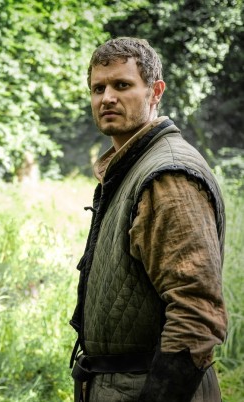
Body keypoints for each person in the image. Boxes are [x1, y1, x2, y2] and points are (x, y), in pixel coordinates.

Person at [69, 37, 227, 401]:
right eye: (98, 88)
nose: (107, 98)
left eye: (122, 85)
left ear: (155, 92)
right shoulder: (131, 167)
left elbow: (197, 313)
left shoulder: (167, 176)